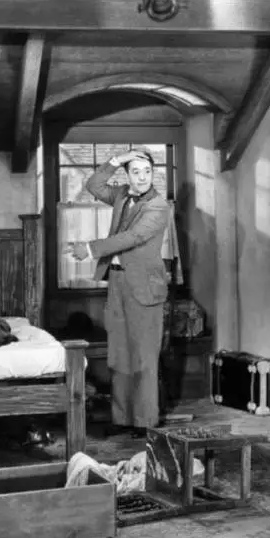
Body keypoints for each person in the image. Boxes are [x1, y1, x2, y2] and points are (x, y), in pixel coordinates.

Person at [67, 148, 170, 437]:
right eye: (135, 171)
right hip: (117, 283)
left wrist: (89, 249)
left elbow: (132, 237)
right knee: (120, 354)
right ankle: (122, 418)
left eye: (147, 171)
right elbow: (93, 185)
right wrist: (117, 160)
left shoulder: (158, 206)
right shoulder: (122, 194)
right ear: (127, 174)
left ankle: (145, 420)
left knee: (144, 357)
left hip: (144, 289)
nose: (142, 177)